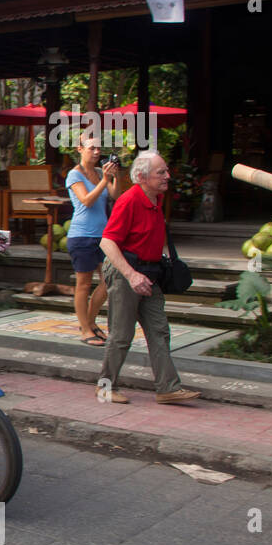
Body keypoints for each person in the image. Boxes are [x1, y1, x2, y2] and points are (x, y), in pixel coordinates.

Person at [97, 150, 199, 405]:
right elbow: (107, 242)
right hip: (126, 272)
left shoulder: (156, 200)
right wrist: (131, 275)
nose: (167, 176)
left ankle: (168, 388)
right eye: (161, 172)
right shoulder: (129, 200)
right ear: (142, 177)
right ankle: (105, 387)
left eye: (166, 171)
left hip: (149, 273)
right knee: (121, 334)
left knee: (159, 330)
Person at [66, 133, 123, 346]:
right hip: (81, 236)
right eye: (92, 148)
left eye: (99, 148)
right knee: (84, 284)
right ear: (80, 149)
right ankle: (85, 330)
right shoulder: (74, 175)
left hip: (103, 236)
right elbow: (87, 201)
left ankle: (89, 323)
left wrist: (114, 177)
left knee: (109, 280)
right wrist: (105, 180)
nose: (97, 152)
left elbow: (116, 195)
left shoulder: (100, 172)